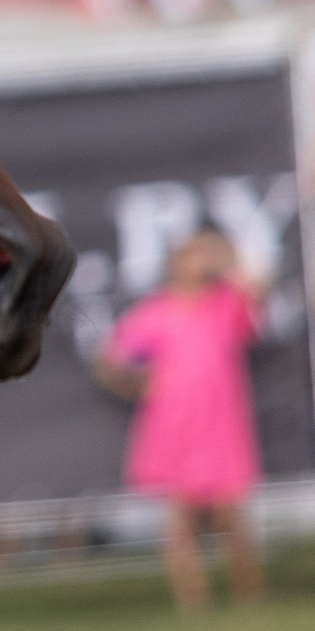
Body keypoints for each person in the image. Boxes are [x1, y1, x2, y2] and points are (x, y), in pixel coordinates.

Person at [98, 229, 266, 609]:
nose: (197, 264)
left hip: (221, 426)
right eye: (189, 257)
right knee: (181, 520)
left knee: (229, 513)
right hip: (174, 428)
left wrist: (225, 260)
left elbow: (256, 291)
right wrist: (140, 383)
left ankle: (249, 590)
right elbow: (110, 359)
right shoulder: (155, 313)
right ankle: (192, 598)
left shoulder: (226, 306)